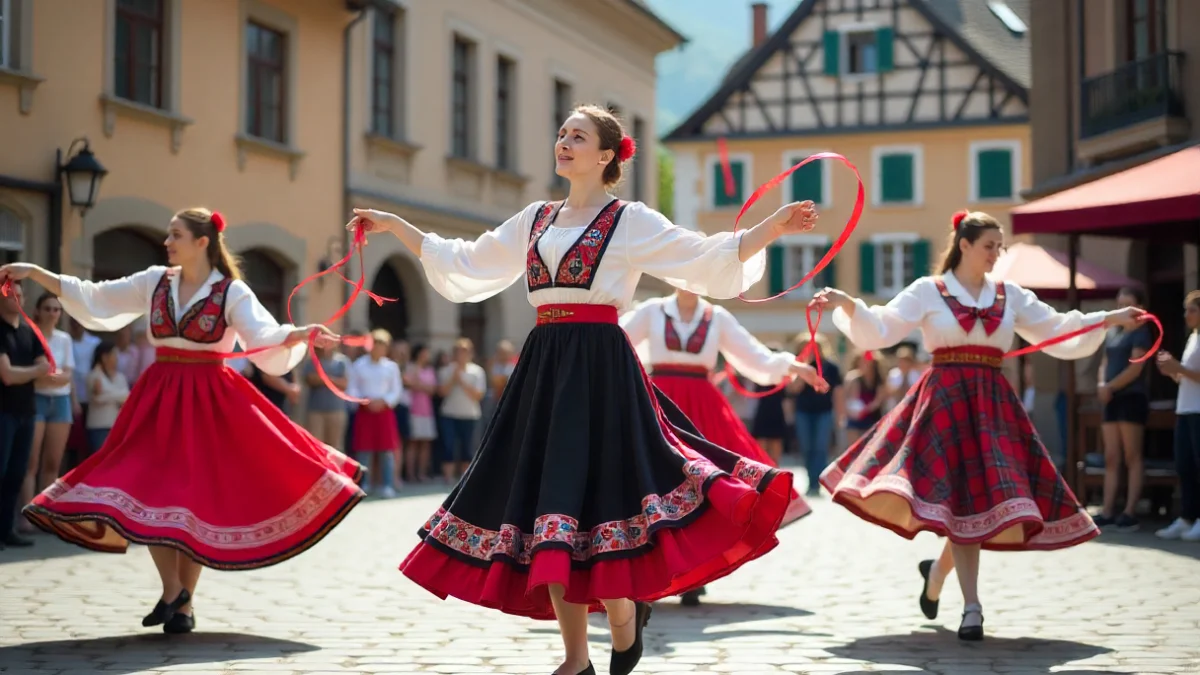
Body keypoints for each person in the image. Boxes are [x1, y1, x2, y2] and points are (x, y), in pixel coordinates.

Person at [350, 104, 819, 675]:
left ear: (605, 156)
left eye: (578, 135)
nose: (564, 142)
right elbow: (466, 261)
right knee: (548, 512)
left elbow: (699, 256)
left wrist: (772, 227)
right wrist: (396, 224)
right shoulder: (535, 218)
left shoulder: (630, 219)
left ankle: (624, 618)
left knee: (601, 506)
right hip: (544, 370)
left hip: (601, 372)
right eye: (561, 133)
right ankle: (576, 659)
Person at [0, 207, 365, 634]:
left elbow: (263, 337)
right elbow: (96, 296)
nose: (167, 242)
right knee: (150, 490)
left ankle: (183, 604)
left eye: (176, 235)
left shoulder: (231, 292)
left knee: (192, 500)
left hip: (210, 400)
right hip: (159, 396)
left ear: (202, 241)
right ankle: (174, 591)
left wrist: (298, 333)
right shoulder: (155, 280)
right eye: (168, 234)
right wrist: (35, 272)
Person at [812, 209, 1144, 642]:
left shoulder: (1010, 295)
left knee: (975, 507)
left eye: (999, 246)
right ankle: (972, 607)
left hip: (992, 406)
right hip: (945, 404)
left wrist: (1109, 318)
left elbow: (1055, 328)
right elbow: (882, 328)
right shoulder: (928, 290)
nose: (996, 254)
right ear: (964, 245)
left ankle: (937, 574)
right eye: (989, 245)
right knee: (964, 505)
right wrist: (847, 303)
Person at [621, 289, 824, 606]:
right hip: (659, 405)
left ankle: (693, 574)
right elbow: (615, 339)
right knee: (652, 483)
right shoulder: (652, 310)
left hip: (702, 410)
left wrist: (792, 366)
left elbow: (752, 355)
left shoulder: (716, 317)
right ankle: (648, 570)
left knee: (706, 488)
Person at [1095, 286, 1153, 531]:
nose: (1122, 309)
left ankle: (1130, 511)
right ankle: (1108, 510)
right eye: (1119, 304)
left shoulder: (1141, 333)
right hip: (1111, 398)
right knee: (1111, 456)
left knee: (1132, 455)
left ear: (1140, 307)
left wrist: (1110, 386)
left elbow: (1136, 367)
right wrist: (1101, 384)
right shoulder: (1113, 331)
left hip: (1131, 397)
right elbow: (1104, 362)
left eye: (1128, 304)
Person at [18, 293, 77, 535]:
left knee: (53, 462)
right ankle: (26, 515)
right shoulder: (30, 334)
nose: (53, 313)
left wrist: (49, 376)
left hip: (60, 401)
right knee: (30, 462)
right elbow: (34, 374)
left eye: (56, 309)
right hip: (36, 399)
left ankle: (45, 515)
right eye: (48, 308)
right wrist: (50, 376)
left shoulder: (64, 339)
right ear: (38, 311)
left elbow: (68, 375)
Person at [0, 281, 50, 549]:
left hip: (26, 411)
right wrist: (33, 372)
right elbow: (6, 375)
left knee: (16, 473)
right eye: (11, 295)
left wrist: (27, 372)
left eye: (19, 295)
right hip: (3, 411)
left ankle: (6, 530)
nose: (16, 299)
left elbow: (46, 366)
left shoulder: (29, 331)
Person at [1153, 290, 1200, 542]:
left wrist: (1178, 367)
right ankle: (1187, 517)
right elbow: (1186, 378)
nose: (1187, 315)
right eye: (1186, 310)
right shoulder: (1193, 338)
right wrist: (1172, 371)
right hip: (1185, 409)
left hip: (1198, 410)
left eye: (1192, 310)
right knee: (1185, 466)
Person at [348, 328, 405, 497]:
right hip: (364, 411)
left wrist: (384, 401)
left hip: (384, 411)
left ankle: (387, 485)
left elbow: (396, 390)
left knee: (386, 450)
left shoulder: (391, 367)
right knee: (363, 449)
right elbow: (352, 388)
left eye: (382, 345)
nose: (379, 348)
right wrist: (364, 401)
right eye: (376, 345)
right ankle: (363, 484)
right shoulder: (359, 365)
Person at [789, 333, 844, 496]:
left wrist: (840, 415)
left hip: (824, 412)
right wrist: (804, 369)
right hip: (803, 412)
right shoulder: (797, 367)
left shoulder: (831, 368)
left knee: (820, 447)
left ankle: (816, 483)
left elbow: (838, 393)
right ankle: (811, 479)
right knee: (806, 448)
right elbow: (793, 389)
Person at [436, 338, 486, 484]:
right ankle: (448, 478)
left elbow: (478, 395)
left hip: (470, 415)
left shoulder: (477, 371)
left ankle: (466, 480)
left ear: (471, 353)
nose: (461, 355)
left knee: (468, 449)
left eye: (465, 352)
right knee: (448, 447)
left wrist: (462, 381)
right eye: (458, 352)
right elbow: (442, 392)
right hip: (449, 414)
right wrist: (453, 378)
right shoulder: (445, 370)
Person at [84, 341, 129, 453]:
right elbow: (97, 399)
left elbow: (127, 398)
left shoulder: (121, 377)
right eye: (114, 354)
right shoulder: (94, 375)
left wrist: (105, 394)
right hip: (98, 427)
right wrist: (119, 395)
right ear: (104, 357)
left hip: (116, 427)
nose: (117, 358)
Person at [404, 344, 438, 482]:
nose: (426, 356)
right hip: (413, 410)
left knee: (425, 444)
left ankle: (422, 473)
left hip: (427, 412)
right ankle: (410, 474)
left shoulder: (430, 370)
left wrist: (420, 386)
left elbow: (433, 390)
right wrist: (423, 386)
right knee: (412, 443)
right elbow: (410, 384)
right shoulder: (410, 367)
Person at [843, 351, 883, 445]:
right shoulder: (853, 378)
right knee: (853, 447)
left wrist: (864, 411)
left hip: (872, 418)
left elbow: (878, 401)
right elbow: (848, 397)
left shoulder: (879, 379)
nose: (865, 364)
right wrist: (851, 412)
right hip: (854, 417)